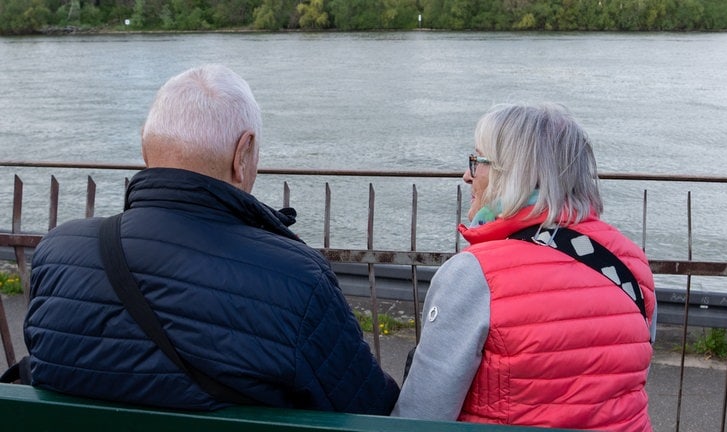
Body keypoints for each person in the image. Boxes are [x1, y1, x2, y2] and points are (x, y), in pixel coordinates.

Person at [23, 64, 399, 413]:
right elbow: (370, 411)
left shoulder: (58, 253)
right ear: (243, 153)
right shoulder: (297, 280)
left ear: (145, 146)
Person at [392, 102, 657, 431]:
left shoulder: (474, 274)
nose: (466, 175)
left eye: (476, 161)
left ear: (511, 172)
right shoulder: (631, 262)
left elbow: (424, 414)